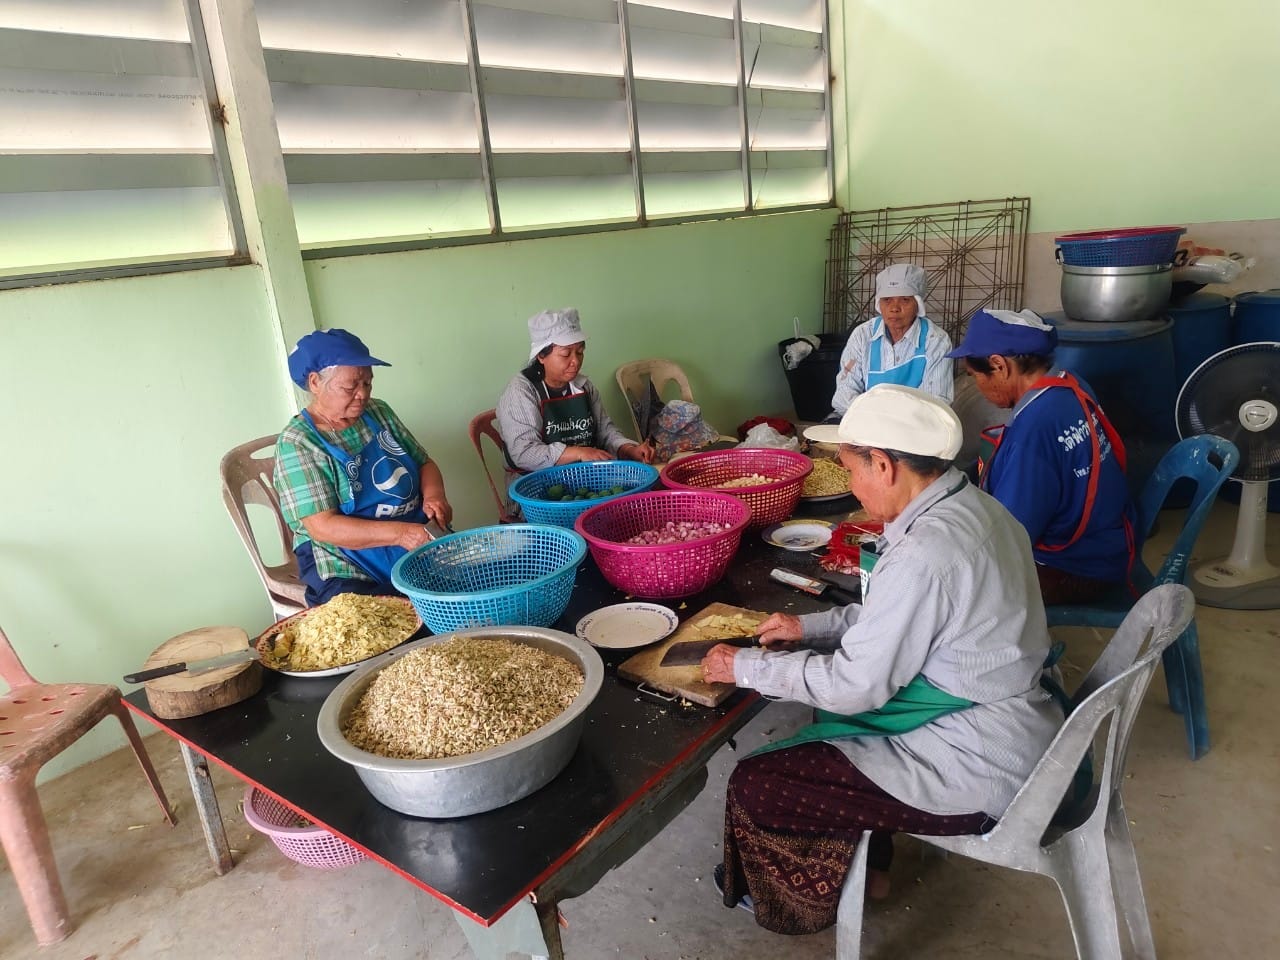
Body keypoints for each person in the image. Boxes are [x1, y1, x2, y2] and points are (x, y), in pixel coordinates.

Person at [703, 384, 1061, 935]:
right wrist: (807, 627)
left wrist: (744, 668)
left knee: (758, 781)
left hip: (983, 756)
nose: (850, 484)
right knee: (831, 727)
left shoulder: (926, 552)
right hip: (1008, 713)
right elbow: (895, 622)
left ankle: (802, 906)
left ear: (885, 465)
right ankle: (873, 871)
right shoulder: (977, 508)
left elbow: (855, 685)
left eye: (852, 471)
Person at [945, 308, 1138, 604]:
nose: (978, 387)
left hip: (1076, 567)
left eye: (974, 375)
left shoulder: (1033, 431)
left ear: (999, 365)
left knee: (951, 586)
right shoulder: (1070, 384)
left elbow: (1011, 537)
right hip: (1110, 538)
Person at [272, 328, 453, 607]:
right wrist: (400, 534)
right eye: (350, 387)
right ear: (315, 382)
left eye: (368, 383)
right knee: (380, 622)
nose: (362, 394)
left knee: (465, 595)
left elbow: (424, 463)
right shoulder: (298, 443)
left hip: (410, 536)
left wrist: (434, 496)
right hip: (344, 559)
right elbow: (323, 527)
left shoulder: (378, 413)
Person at [496, 308, 654, 472]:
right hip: (534, 488)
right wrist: (578, 452)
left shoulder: (584, 386)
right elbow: (524, 453)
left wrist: (628, 448)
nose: (576, 362)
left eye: (580, 352)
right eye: (565, 354)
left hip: (585, 477)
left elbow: (605, 430)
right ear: (541, 356)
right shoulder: (522, 391)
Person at [826, 263, 954, 420]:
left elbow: (936, 403)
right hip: (866, 420)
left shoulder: (936, 341)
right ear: (879, 304)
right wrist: (875, 417)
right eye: (887, 300)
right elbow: (844, 392)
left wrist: (893, 421)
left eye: (905, 300)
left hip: (913, 427)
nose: (894, 308)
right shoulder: (863, 335)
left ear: (918, 304)